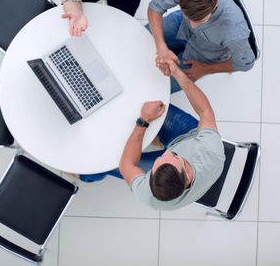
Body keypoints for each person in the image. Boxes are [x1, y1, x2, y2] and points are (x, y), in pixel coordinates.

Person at [80, 58, 225, 211]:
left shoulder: (148, 194)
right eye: (170, 156)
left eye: (172, 155)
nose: (169, 153)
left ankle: (86, 175)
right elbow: (205, 111)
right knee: (147, 103)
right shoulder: (210, 150)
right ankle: (159, 138)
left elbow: (127, 165)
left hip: (189, 149)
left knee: (105, 163)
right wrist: (177, 72)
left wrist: (143, 121)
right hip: (187, 135)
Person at [147, 0, 256, 93]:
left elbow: (246, 64)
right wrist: (161, 47)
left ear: (215, 5)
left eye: (199, 20)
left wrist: (206, 69)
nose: (193, 26)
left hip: (204, 55)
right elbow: (155, 7)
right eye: (190, 17)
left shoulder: (234, 33)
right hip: (180, 24)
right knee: (139, 38)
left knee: (159, 89)